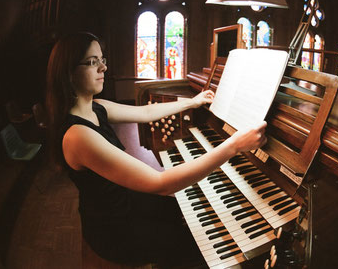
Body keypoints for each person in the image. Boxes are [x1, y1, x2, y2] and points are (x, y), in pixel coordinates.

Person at [45, 32, 267, 266]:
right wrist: (232, 146)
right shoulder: (78, 135)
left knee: (191, 217)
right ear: (68, 73)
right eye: (92, 62)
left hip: (125, 202)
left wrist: (192, 102)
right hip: (113, 228)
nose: (103, 68)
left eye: (102, 59)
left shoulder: (96, 107)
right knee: (197, 248)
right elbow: (161, 184)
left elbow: (145, 113)